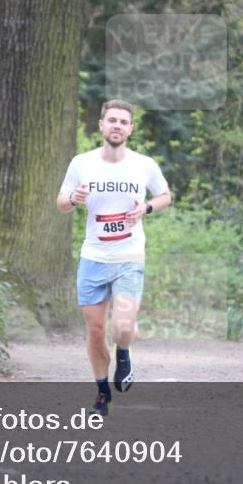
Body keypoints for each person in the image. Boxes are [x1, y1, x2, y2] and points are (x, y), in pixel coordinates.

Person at [57, 99, 171, 416]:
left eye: (123, 121)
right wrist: (72, 198)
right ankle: (101, 394)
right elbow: (61, 202)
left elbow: (165, 195)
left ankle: (124, 354)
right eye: (112, 120)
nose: (117, 125)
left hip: (129, 254)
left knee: (122, 326)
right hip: (93, 255)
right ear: (101, 125)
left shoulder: (143, 164)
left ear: (131, 128)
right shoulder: (82, 163)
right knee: (94, 330)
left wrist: (146, 208)